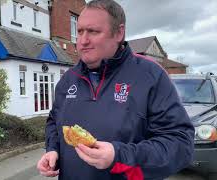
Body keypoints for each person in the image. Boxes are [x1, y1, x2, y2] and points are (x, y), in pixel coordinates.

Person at [37, 0, 194, 179]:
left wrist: (119, 156)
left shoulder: (150, 75)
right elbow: (54, 122)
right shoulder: (68, 79)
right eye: (79, 31)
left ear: (119, 33)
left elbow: (181, 145)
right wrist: (53, 150)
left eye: (93, 31)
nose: (83, 41)